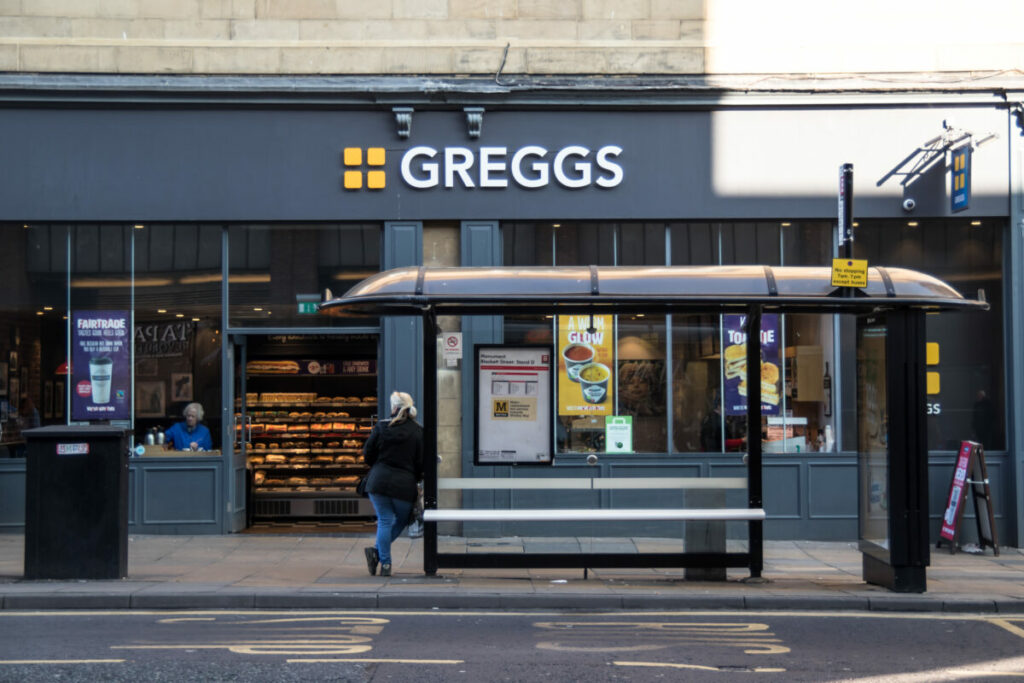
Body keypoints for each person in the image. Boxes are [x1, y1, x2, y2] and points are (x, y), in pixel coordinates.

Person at [362, 391, 424, 577]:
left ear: (394, 407)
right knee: (401, 520)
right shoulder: (418, 431)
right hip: (403, 485)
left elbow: (368, 454)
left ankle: (385, 563)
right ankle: (377, 554)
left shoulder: (381, 427)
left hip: (378, 482)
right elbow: (421, 462)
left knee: (384, 520)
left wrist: (380, 466)